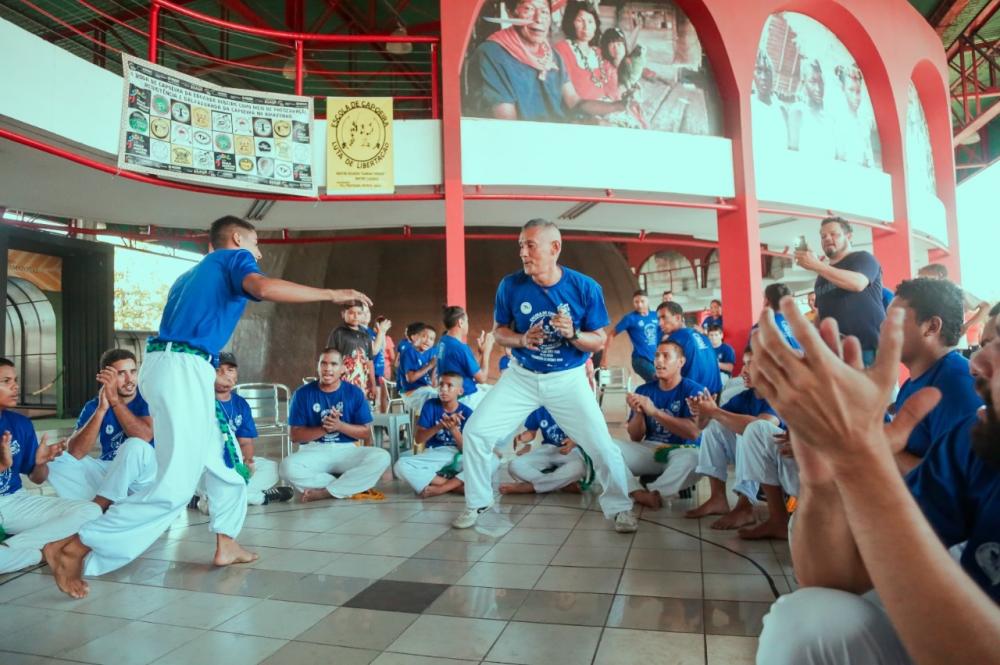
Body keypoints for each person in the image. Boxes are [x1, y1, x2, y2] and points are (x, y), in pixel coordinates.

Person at [44, 215, 369, 599]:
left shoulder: (190, 277)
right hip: (183, 369)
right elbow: (262, 287)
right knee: (175, 486)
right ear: (235, 239)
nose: (259, 252)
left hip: (178, 367)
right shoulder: (231, 260)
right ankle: (75, 546)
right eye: (255, 244)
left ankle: (226, 542)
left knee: (224, 463)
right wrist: (332, 294)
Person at [752, 297, 1000, 665]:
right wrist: (823, 478)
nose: (977, 362)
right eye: (987, 343)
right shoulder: (980, 436)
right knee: (807, 620)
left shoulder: (953, 383)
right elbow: (838, 579)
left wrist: (861, 460)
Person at [453, 219, 636, 532]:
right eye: (521, 246)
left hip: (567, 378)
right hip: (522, 376)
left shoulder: (584, 287)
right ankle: (477, 502)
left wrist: (573, 333)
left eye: (530, 245)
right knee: (476, 432)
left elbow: (599, 340)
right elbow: (500, 332)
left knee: (602, 446)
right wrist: (523, 339)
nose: (523, 252)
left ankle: (620, 508)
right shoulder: (510, 286)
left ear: (555, 248)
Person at [0, 358, 102, 574]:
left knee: (90, 511)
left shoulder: (20, 424)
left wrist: (41, 462)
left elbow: (37, 478)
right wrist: (2, 465)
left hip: (13, 501)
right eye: (6, 381)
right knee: (33, 554)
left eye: (15, 380)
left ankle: (11, 548)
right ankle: (32, 553)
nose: (15, 386)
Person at [467, 0, 626, 123]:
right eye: (529, 9)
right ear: (511, 12)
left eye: (544, 11)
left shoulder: (551, 55)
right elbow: (509, 127)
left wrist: (616, 107)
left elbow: (575, 102)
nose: (539, 19)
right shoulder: (492, 54)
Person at [888, 278, 983, 469]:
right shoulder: (915, 381)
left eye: (895, 320)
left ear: (932, 327)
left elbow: (953, 484)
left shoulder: (956, 386)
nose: (883, 328)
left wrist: (881, 445)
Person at [683, 349, 782, 530]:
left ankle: (745, 507)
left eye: (749, 364)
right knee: (715, 425)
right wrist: (702, 412)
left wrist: (714, 411)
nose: (743, 371)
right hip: (759, 460)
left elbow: (764, 424)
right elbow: (704, 425)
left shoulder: (779, 395)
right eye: (744, 364)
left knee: (749, 431)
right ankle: (717, 498)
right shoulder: (745, 396)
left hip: (781, 464)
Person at [46, 349, 156, 512]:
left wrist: (115, 401)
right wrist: (101, 410)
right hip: (110, 470)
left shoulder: (148, 397)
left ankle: (101, 505)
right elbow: (75, 452)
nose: (129, 379)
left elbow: (144, 436)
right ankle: (95, 507)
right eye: (121, 374)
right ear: (106, 377)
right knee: (57, 459)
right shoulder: (94, 405)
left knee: (135, 445)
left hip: (144, 476)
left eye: (132, 372)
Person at [280, 348, 386, 503]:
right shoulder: (302, 394)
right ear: (318, 367)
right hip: (314, 449)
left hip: (346, 449)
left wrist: (339, 426)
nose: (328, 368)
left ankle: (325, 492)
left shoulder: (354, 393)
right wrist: (324, 428)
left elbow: (365, 433)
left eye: (334, 364)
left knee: (382, 457)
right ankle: (347, 485)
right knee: (286, 468)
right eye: (323, 363)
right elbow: (295, 435)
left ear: (343, 369)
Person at [616, 340, 704, 510]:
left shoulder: (694, 390)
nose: (658, 361)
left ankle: (656, 492)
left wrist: (655, 412)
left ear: (681, 362)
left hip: (682, 450)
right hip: (651, 449)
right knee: (606, 448)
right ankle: (638, 493)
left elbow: (693, 433)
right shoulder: (643, 390)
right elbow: (635, 437)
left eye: (665, 356)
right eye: (656, 355)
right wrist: (639, 412)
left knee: (697, 458)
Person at [796, 216, 885, 365]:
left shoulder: (863, 258)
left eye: (833, 234)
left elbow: (858, 283)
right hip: (835, 353)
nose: (827, 238)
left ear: (848, 236)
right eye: (823, 236)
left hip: (868, 350)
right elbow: (822, 313)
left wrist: (817, 265)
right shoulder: (822, 277)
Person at [207, 352, 291, 506]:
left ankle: (215, 500)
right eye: (218, 370)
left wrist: (248, 462)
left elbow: (245, 442)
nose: (225, 374)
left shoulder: (241, 404)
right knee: (211, 481)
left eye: (230, 370)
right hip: (210, 464)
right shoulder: (201, 401)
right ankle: (262, 497)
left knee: (271, 468)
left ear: (236, 376)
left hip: (235, 462)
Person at [552, 1, 641, 128]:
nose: (586, 27)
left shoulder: (598, 52)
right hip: (582, 113)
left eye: (590, 22)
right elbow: (570, 101)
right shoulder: (562, 49)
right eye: (580, 21)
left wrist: (625, 95)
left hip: (606, 107)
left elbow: (611, 87)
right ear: (570, 22)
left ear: (595, 25)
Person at [394, 372, 474, 497]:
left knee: (490, 461)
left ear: (460, 391)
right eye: (441, 384)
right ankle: (455, 487)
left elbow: (466, 450)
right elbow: (419, 439)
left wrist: (453, 429)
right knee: (400, 466)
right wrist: (440, 425)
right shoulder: (430, 405)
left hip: (459, 455)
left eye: (449, 385)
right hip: (437, 453)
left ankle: (440, 488)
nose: (443, 389)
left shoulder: (467, 413)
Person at [502, 407, 586, 495]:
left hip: (571, 449)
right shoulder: (538, 408)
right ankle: (561, 484)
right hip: (547, 448)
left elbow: (586, 430)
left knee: (579, 467)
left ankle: (531, 487)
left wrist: (573, 441)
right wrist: (522, 438)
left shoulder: (572, 404)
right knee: (514, 465)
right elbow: (531, 432)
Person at [656, 301, 723, 396]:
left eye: (664, 317)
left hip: (694, 398)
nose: (660, 323)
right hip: (715, 394)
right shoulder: (702, 336)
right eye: (658, 319)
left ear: (678, 317)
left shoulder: (675, 339)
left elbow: (665, 374)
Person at [437, 306, 493, 409]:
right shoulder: (460, 347)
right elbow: (482, 378)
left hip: (454, 397)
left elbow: (467, 367)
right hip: (466, 398)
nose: (468, 324)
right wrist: (487, 352)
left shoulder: (443, 341)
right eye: (467, 321)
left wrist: (480, 353)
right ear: (460, 322)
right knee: (500, 399)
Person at [918, 262, 991, 339]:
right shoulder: (926, 295)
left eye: (925, 277)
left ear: (939, 275)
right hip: (931, 342)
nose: (923, 281)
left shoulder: (957, 291)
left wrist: (966, 326)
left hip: (953, 342)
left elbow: (986, 307)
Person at [604, 289, 659, 383]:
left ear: (648, 301)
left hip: (656, 359)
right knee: (658, 380)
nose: (639, 304)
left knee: (655, 385)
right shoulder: (630, 318)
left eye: (642, 301)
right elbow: (611, 335)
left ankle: (641, 396)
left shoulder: (656, 316)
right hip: (640, 360)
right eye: (636, 302)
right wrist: (604, 358)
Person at [326, 301, 376, 400]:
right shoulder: (338, 332)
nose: (355, 316)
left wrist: (373, 384)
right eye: (351, 313)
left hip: (361, 384)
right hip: (342, 382)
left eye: (359, 313)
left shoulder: (366, 335)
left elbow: (369, 361)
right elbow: (328, 357)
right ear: (343, 314)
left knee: (358, 411)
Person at [397, 323, 439, 414]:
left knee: (447, 396)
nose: (428, 341)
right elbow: (410, 378)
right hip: (411, 393)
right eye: (424, 336)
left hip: (424, 390)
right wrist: (430, 365)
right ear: (416, 337)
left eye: (431, 339)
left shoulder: (423, 356)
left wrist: (435, 367)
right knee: (438, 400)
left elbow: (433, 384)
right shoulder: (409, 352)